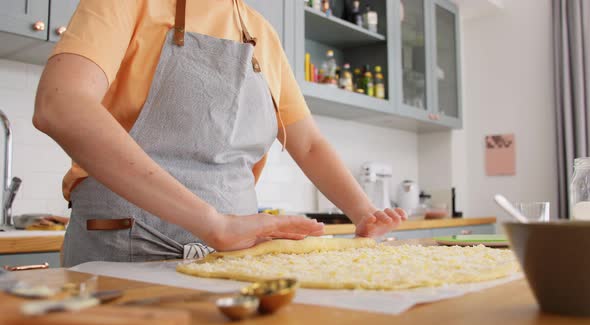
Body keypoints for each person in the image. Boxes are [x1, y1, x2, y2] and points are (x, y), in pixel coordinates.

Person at [33, 0, 407, 267]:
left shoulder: (261, 32)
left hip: (238, 260)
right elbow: (61, 105)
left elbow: (308, 144)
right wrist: (214, 223)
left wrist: (365, 213)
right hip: (125, 249)